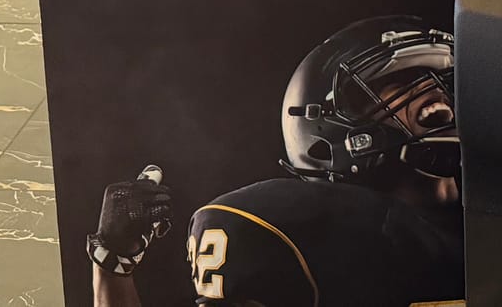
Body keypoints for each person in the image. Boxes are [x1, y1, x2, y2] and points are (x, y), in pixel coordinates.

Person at [87, 17, 462, 307]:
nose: (434, 92)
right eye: (400, 82)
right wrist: (112, 263)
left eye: (439, 79)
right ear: (325, 127)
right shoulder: (292, 223)